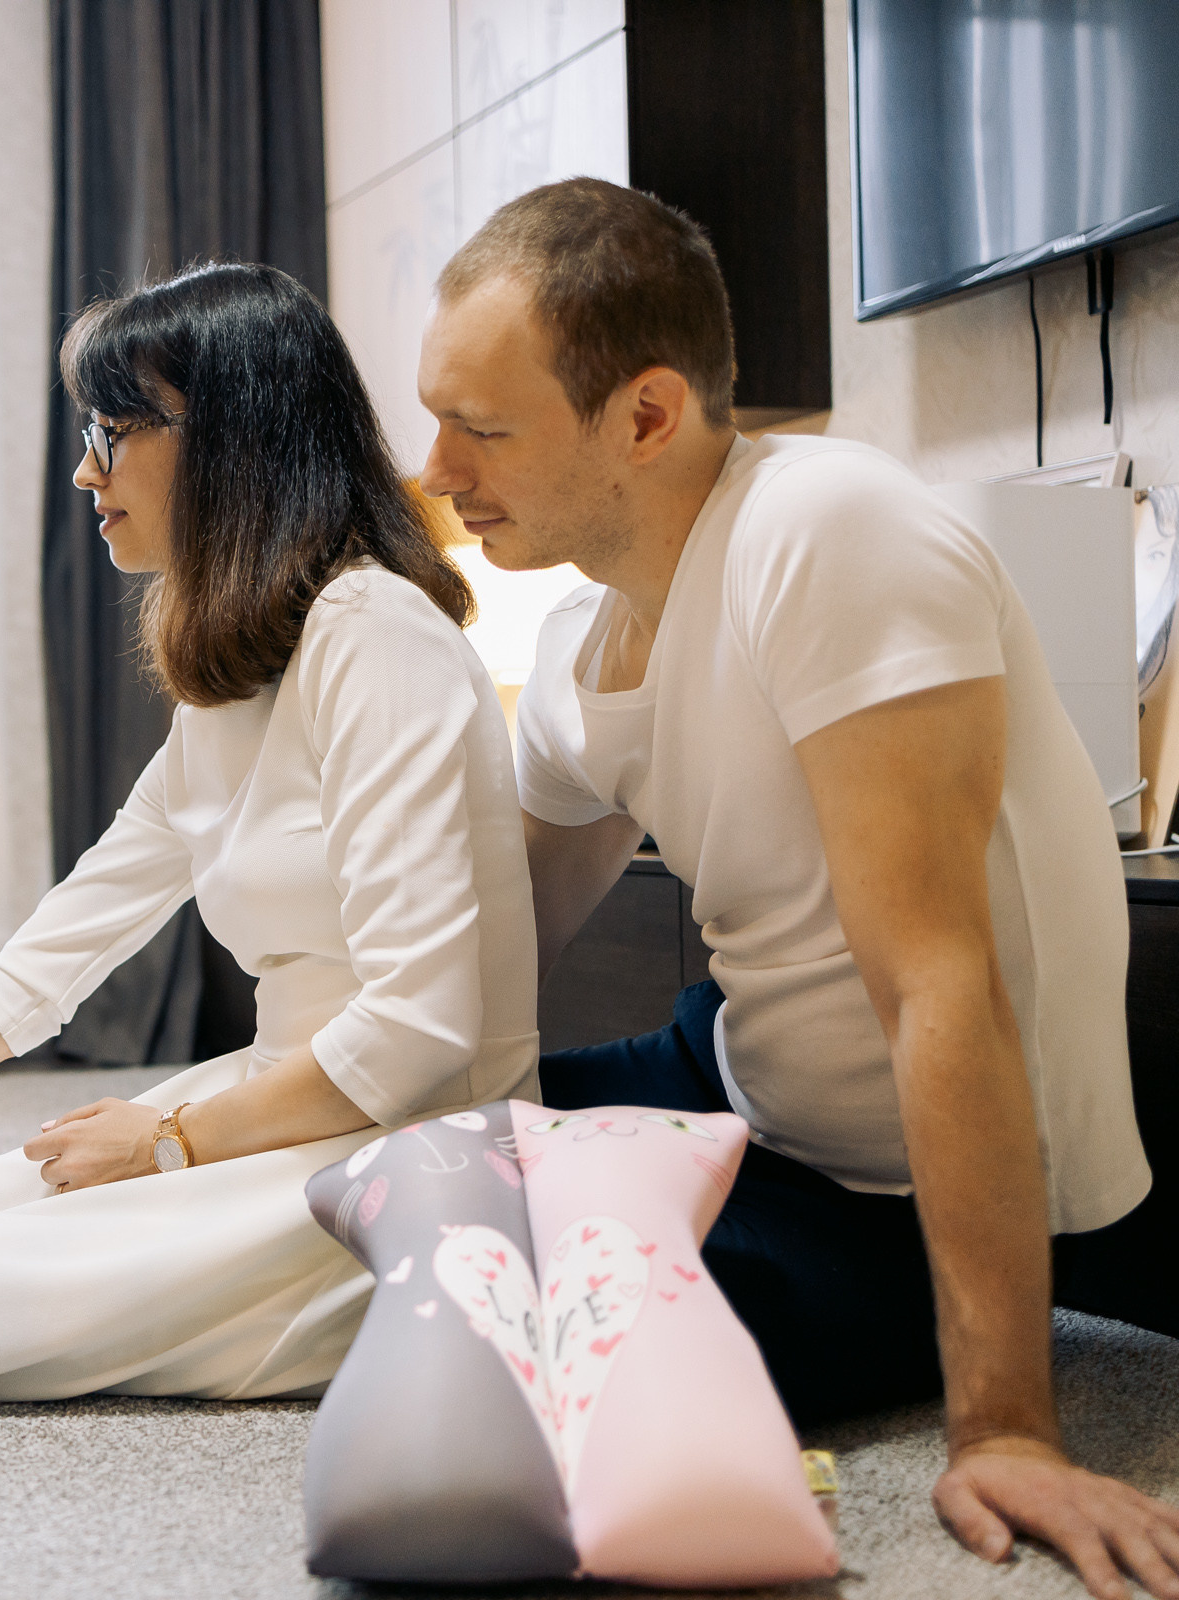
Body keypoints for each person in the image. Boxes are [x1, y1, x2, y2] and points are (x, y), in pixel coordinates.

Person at [417, 177, 1179, 1600]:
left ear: (644, 416)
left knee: (527, 1356)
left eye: (483, 426)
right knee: (397, 1166)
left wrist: (1008, 1423)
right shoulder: (586, 639)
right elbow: (484, 968)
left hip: (885, 1186)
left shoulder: (828, 533)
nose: (440, 465)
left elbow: (942, 976)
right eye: (437, 415)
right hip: (737, 1071)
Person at [0, 262, 539, 1409]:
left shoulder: (375, 636)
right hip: (275, 1108)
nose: (84, 470)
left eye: (113, 431)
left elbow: (419, 1030)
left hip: (410, 1153)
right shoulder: (232, 691)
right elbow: (22, 987)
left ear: (233, 440)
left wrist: (170, 1140)